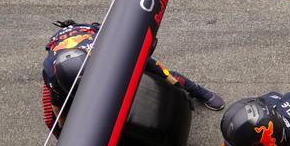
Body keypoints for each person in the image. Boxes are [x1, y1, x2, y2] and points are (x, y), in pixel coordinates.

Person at [43, 21, 224, 132]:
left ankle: (200, 92)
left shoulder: (112, 50)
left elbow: (151, 63)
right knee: (54, 123)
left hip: (93, 37)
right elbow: (58, 106)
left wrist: (175, 86)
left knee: (164, 75)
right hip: (62, 45)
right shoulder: (51, 73)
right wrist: (67, 134)